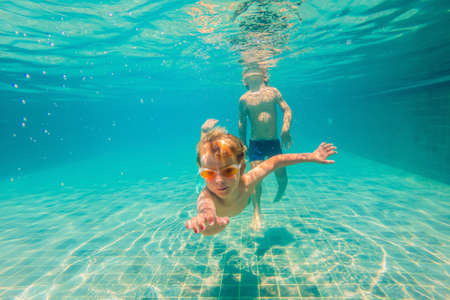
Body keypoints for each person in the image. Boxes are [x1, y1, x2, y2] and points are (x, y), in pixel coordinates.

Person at [185, 119, 337, 236]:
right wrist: (206, 220)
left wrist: (312, 156)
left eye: (228, 171)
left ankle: (206, 142)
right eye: (209, 173)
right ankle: (204, 136)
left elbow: (277, 161)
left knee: (210, 160)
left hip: (243, 195)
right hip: (207, 187)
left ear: (242, 168)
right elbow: (205, 209)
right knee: (205, 156)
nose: (219, 180)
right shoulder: (207, 195)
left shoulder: (248, 180)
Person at [238, 65, 292, 231]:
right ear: (244, 81)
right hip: (256, 144)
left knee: (282, 175)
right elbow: (242, 122)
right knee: (256, 179)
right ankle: (256, 211)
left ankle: (281, 189)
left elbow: (287, 109)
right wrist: (242, 144)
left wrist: (285, 128)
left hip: (274, 141)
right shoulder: (244, 99)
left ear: (265, 77)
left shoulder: (273, 92)